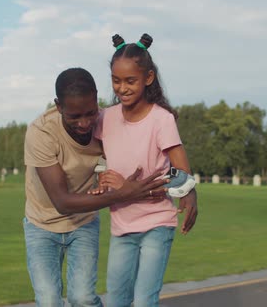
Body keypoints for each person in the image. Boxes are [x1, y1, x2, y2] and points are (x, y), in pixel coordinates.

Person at [23, 67, 168, 307]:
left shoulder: (105, 122)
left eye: (90, 113)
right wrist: (122, 194)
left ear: (96, 97)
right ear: (59, 106)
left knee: (83, 299)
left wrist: (104, 171)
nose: (85, 123)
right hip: (41, 225)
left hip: (83, 224)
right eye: (74, 116)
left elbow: (130, 152)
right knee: (48, 301)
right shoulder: (41, 132)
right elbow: (62, 202)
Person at [94, 33, 198, 307]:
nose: (122, 88)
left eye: (130, 81)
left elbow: (180, 164)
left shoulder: (161, 119)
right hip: (121, 225)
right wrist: (102, 175)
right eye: (116, 80)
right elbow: (96, 155)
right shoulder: (106, 117)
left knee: (143, 301)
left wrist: (190, 193)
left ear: (148, 78)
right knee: (116, 300)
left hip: (157, 223)